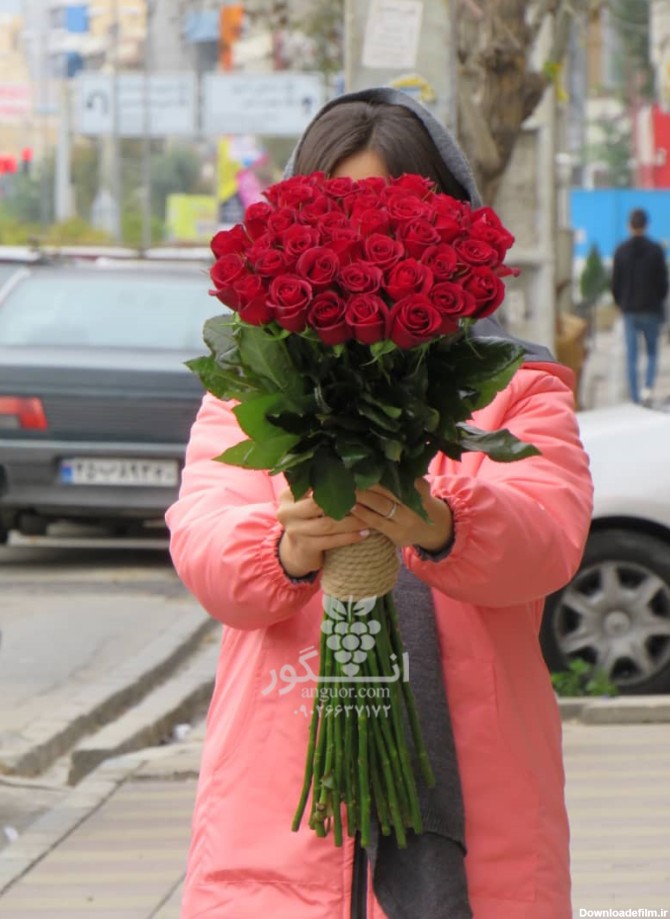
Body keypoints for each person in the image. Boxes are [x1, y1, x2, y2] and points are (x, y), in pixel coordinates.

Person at [166, 87, 593, 919]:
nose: (366, 236)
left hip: (485, 807)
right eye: (339, 209)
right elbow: (206, 545)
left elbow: (549, 537)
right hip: (278, 821)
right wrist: (285, 548)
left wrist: (444, 525)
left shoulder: (517, 385)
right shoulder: (254, 387)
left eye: (395, 210)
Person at [611, 208, 669, 406]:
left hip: (629, 310)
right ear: (647, 225)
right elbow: (663, 282)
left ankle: (635, 396)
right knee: (652, 351)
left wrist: (620, 302)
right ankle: (648, 389)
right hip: (651, 309)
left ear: (629, 225)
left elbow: (615, 283)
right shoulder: (656, 250)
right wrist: (659, 300)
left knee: (632, 355)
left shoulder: (621, 250)